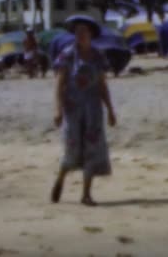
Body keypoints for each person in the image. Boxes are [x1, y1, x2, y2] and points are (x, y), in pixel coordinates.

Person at [51, 15, 117, 207]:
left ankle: (86, 194)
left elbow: (102, 85)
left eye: (83, 31)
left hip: (93, 109)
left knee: (92, 149)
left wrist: (111, 110)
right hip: (72, 108)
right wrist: (58, 110)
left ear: (91, 34)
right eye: (77, 31)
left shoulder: (98, 56)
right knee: (72, 148)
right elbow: (59, 84)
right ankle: (62, 176)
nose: (80, 34)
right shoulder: (67, 54)